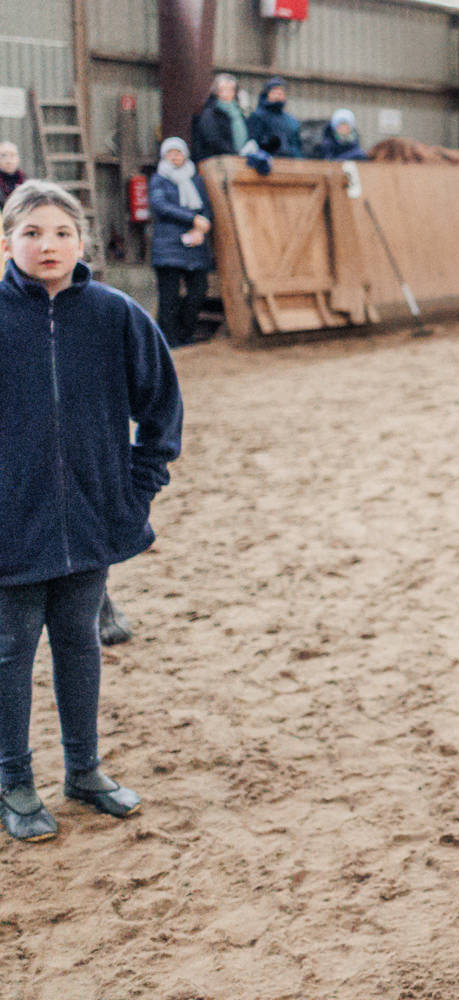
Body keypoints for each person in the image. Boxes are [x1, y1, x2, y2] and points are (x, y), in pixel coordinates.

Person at [0, 180, 182, 843]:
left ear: (83, 241)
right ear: (6, 241)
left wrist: (133, 492)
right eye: (31, 233)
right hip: (9, 527)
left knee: (80, 644)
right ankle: (15, 782)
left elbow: (160, 407)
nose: (48, 245)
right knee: (9, 652)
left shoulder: (116, 314)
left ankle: (84, 771)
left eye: (62, 233)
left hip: (90, 522)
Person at [149, 137, 214, 348]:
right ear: (164, 156)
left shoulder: (195, 179)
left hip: (194, 244)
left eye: (178, 152)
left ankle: (185, 333)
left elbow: (205, 206)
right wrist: (191, 219)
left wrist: (200, 226)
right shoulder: (159, 179)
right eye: (170, 153)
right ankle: (169, 340)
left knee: (198, 290)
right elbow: (160, 206)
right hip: (168, 245)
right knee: (169, 296)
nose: (175, 156)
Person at [190, 73, 249, 162]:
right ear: (216, 91)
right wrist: (232, 153)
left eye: (231, 89)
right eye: (223, 89)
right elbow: (213, 139)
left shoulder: (238, 113)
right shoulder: (210, 112)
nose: (227, 93)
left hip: (238, 159)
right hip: (215, 161)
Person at [247, 77, 303, 159]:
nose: (277, 96)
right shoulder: (257, 117)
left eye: (280, 93)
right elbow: (253, 143)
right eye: (274, 92)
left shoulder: (291, 121)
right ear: (267, 94)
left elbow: (296, 145)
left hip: (289, 163)